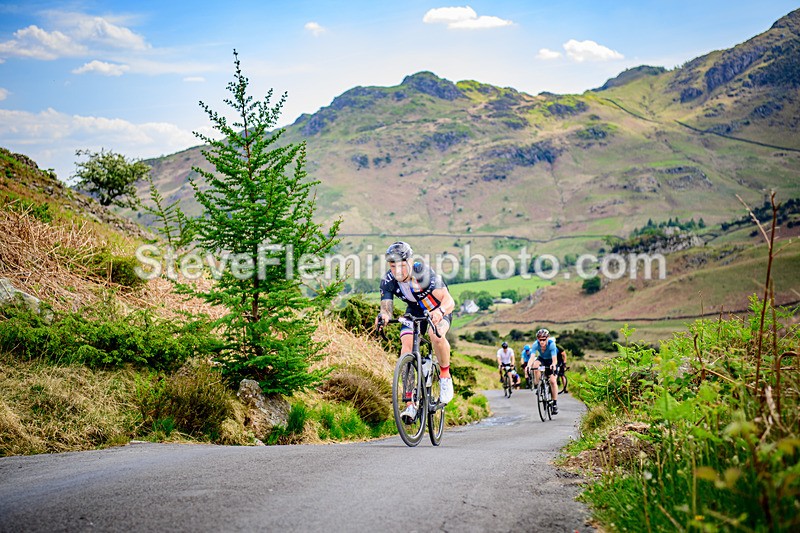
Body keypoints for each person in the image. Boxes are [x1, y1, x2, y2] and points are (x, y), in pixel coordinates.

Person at [375, 241, 456, 423]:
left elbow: (449, 301)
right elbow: (386, 309)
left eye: (401, 265)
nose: (397, 270)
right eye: (393, 265)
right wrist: (384, 317)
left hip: (437, 307)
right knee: (406, 346)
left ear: (410, 262)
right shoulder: (388, 281)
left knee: (435, 335)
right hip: (415, 311)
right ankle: (410, 401)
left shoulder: (422, 273)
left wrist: (440, 312)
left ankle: (444, 376)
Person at [532, 328, 559, 414]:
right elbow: (532, 357)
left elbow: (554, 359)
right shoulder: (535, 344)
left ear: (547, 338)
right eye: (540, 340)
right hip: (542, 360)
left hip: (551, 361)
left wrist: (553, 365)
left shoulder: (552, 344)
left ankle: (554, 403)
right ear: (537, 339)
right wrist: (528, 366)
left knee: (552, 381)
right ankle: (538, 385)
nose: (542, 342)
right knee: (535, 366)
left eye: (544, 339)